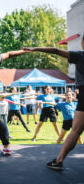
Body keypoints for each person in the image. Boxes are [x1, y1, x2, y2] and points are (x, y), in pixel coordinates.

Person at [24, 37, 84, 170]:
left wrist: (35, 48)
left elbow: (55, 50)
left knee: (75, 131)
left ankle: (59, 161)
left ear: (83, 43)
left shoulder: (80, 55)